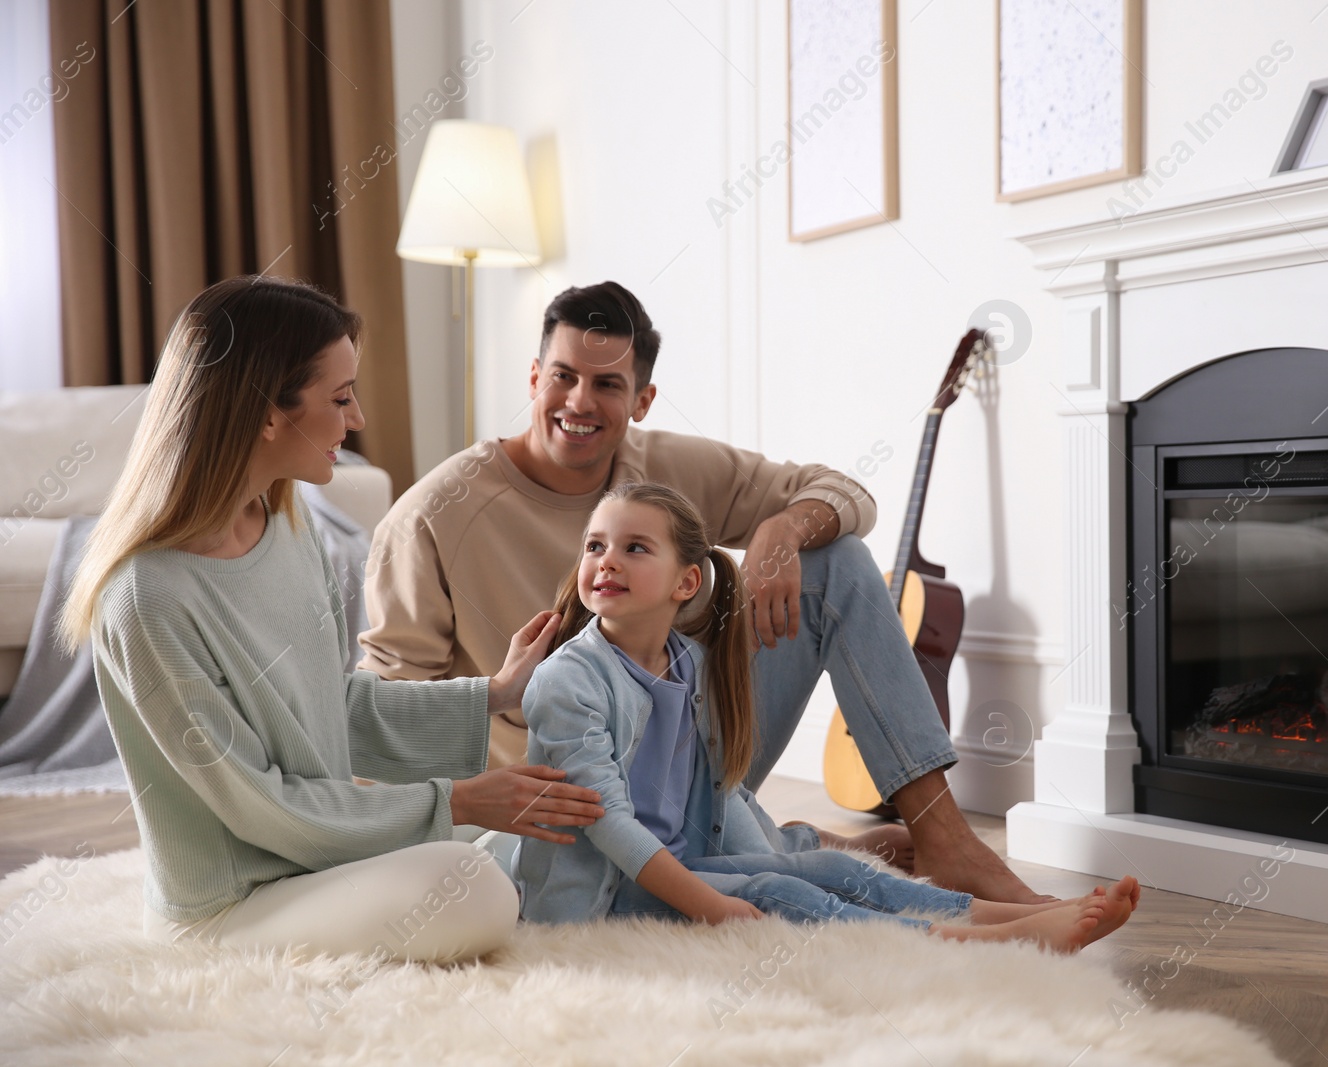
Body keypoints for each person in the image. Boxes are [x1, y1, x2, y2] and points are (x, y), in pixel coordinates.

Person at [359, 281, 1041, 904]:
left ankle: (943, 836)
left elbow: (848, 494)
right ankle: (792, 845)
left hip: (692, 751)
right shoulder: (431, 516)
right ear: (535, 377)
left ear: (642, 400)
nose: (579, 402)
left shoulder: (662, 466)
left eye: (608, 384)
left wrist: (779, 529)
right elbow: (386, 713)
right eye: (563, 377)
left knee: (839, 558)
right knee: (758, 874)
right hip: (562, 790)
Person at [61, 276, 607, 964]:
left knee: (563, 824)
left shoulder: (286, 524)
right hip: (233, 906)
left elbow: (332, 703)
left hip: (317, 861)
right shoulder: (147, 598)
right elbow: (262, 805)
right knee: (472, 886)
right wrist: (459, 802)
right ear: (266, 413)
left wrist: (494, 692)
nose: (358, 420)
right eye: (341, 397)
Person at [514, 482, 1139, 949]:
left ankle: (999, 914)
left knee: (825, 868)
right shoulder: (568, 681)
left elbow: (713, 786)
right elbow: (611, 827)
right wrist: (716, 904)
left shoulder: (690, 663)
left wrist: (773, 857)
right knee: (778, 893)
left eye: (634, 547)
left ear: (686, 583)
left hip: (682, 862)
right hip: (606, 893)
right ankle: (962, 942)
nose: (606, 561)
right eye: (595, 546)